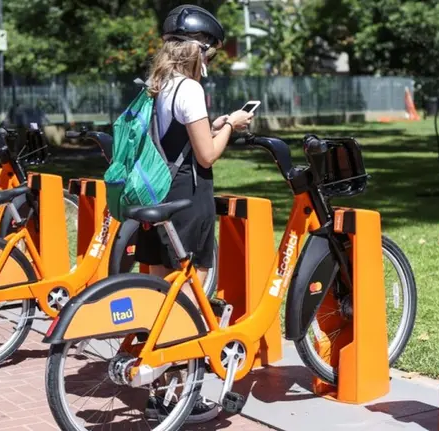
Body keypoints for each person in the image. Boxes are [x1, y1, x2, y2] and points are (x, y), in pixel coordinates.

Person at [135, 4, 254, 424]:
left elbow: (175, 136)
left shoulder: (158, 85)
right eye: (212, 54)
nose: (212, 62)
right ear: (200, 51)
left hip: (157, 192)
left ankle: (158, 391)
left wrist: (214, 121)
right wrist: (231, 125)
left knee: (158, 298)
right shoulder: (189, 89)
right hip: (188, 196)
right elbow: (206, 154)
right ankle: (182, 395)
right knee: (188, 297)